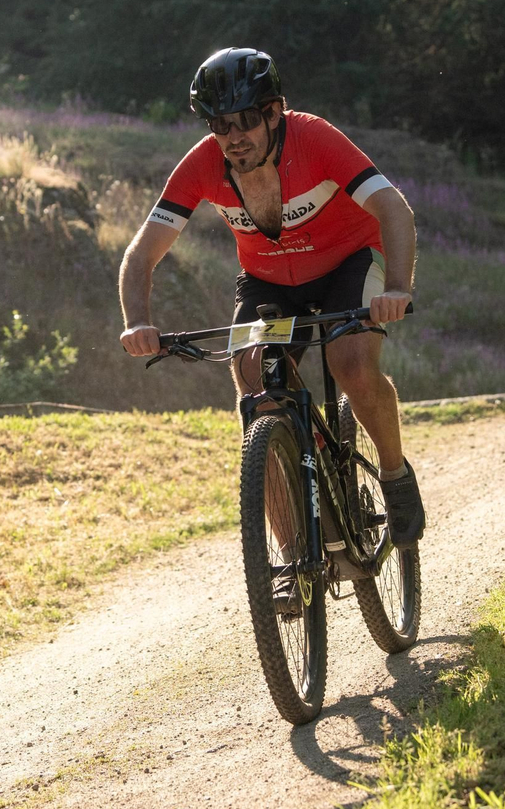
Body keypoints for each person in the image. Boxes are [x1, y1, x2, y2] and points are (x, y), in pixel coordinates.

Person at [118, 47, 426, 543]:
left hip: (350, 263)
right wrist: (137, 321)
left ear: (273, 112)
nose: (233, 138)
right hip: (269, 283)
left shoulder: (315, 139)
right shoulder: (202, 165)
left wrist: (396, 289)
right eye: (219, 126)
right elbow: (141, 254)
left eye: (244, 122)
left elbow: (393, 208)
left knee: (351, 364)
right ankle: (289, 555)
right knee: (257, 390)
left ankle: (394, 476)